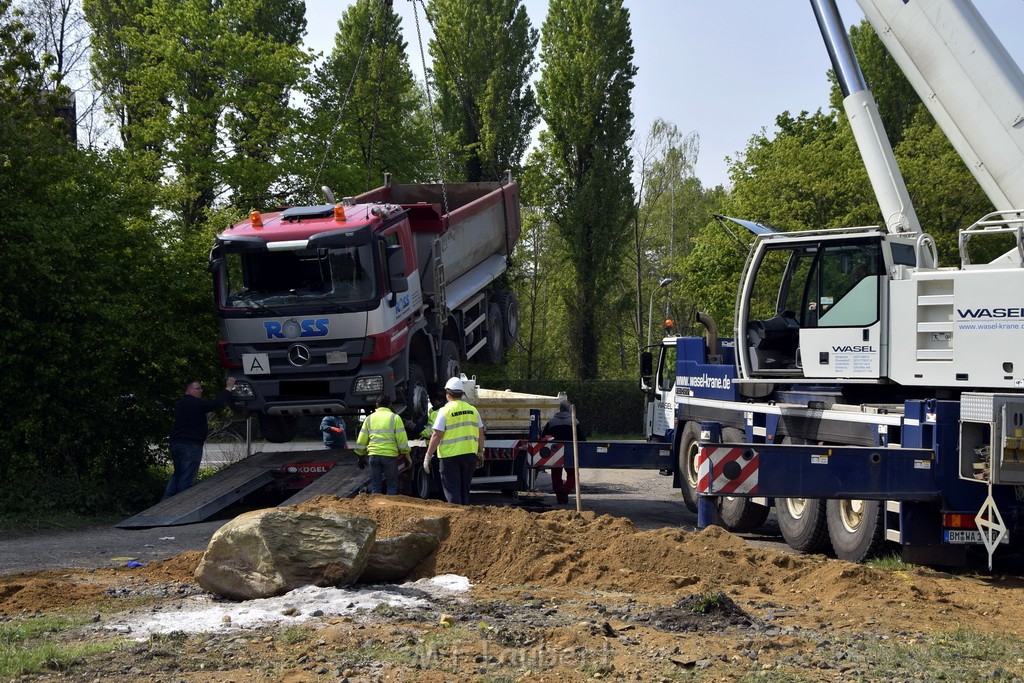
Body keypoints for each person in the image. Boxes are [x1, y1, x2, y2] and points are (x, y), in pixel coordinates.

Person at [164, 376, 236, 499]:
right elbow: (217, 403)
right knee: (187, 477)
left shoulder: (179, 404)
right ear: (189, 390)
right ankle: (181, 504)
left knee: (177, 473)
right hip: (190, 446)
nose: (201, 391)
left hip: (176, 444)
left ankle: (166, 499)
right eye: (198, 388)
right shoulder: (196, 403)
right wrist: (229, 388)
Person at [424, 376, 485, 505]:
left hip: (449, 458)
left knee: (452, 491)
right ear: (462, 393)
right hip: (469, 456)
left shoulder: (445, 411)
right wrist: (480, 452)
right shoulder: (473, 410)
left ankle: (457, 519)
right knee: (464, 491)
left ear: (447, 394)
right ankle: (464, 520)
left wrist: (428, 456)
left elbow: (436, 435)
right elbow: (480, 431)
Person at [354, 395, 410, 495]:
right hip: (389, 456)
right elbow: (402, 440)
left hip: (374, 456)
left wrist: (360, 456)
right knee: (392, 485)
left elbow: (361, 440)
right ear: (389, 405)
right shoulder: (395, 418)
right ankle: (389, 509)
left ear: (377, 405)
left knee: (375, 486)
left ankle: (377, 509)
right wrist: (406, 454)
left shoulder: (369, 419)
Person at [541, 399, 587, 504]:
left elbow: (543, 437)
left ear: (560, 409)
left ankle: (559, 495)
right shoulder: (575, 421)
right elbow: (582, 439)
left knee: (556, 473)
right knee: (573, 473)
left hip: (555, 450)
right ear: (569, 409)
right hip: (571, 451)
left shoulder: (551, 421)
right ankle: (565, 490)